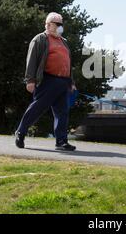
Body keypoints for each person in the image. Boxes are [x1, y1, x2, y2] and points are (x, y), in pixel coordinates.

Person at [15, 12, 77, 151]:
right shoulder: (40, 39)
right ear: (48, 25)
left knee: (62, 112)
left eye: (61, 24)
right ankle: (21, 132)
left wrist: (71, 82)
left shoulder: (63, 41)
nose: (61, 27)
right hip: (48, 80)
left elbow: (68, 63)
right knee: (37, 108)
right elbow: (31, 61)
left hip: (63, 81)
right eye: (58, 24)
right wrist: (30, 80)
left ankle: (61, 141)